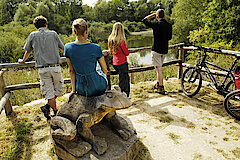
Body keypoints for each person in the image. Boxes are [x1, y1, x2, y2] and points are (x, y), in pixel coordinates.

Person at [18, 16, 65, 120]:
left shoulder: (32, 35)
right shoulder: (53, 34)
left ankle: (48, 107)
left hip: (42, 69)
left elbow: (28, 51)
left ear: (36, 26)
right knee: (59, 89)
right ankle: (55, 112)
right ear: (46, 24)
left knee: (50, 93)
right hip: (55, 67)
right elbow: (63, 48)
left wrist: (23, 60)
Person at [64, 18, 108, 99]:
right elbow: (104, 70)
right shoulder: (96, 47)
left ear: (74, 32)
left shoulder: (68, 48)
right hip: (98, 86)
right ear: (86, 31)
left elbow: (71, 71)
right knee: (97, 67)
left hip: (81, 89)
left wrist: (73, 90)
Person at [142, 9, 172, 94]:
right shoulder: (169, 25)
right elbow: (169, 38)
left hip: (156, 50)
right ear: (164, 16)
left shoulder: (156, 24)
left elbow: (144, 20)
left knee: (159, 70)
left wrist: (152, 15)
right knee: (159, 69)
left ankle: (161, 87)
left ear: (157, 16)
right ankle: (158, 84)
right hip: (164, 50)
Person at [108, 22, 130, 97]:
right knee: (125, 80)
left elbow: (111, 51)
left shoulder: (111, 40)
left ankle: (121, 94)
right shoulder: (121, 41)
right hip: (122, 63)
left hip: (115, 63)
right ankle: (125, 96)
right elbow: (126, 53)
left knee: (121, 79)